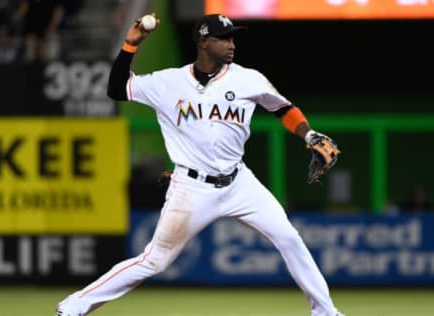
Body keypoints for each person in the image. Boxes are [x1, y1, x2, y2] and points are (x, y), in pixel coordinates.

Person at [56, 13, 345, 316]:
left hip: (239, 182)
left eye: (233, 37)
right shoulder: (167, 82)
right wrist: (130, 46)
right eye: (224, 38)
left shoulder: (248, 78)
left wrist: (309, 134)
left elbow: (284, 108)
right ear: (204, 42)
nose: (231, 44)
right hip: (192, 188)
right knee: (154, 260)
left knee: (289, 237)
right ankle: (74, 306)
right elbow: (117, 88)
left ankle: (325, 312)